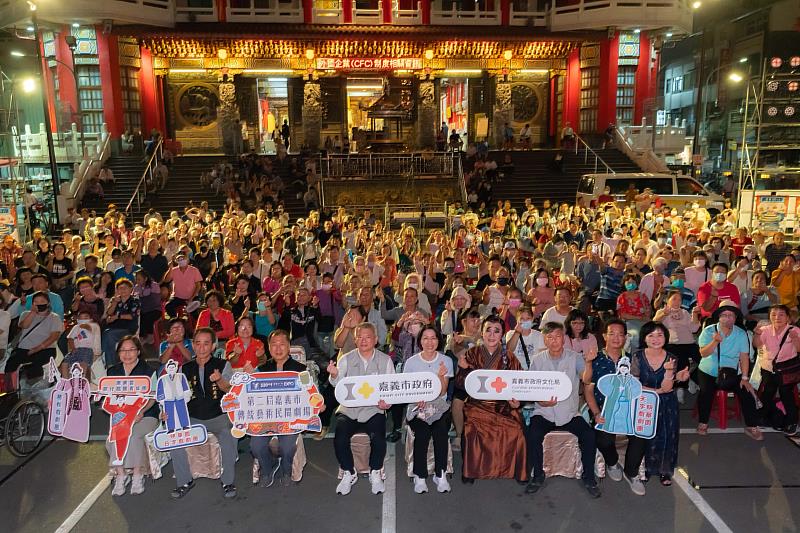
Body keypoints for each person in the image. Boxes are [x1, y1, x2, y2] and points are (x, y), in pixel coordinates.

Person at [524, 321, 600, 498]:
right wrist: (541, 402)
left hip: (569, 412)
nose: (554, 341)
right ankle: (538, 475)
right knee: (532, 433)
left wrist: (588, 362)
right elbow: (530, 386)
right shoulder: (538, 359)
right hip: (544, 411)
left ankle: (589, 477)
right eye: (549, 337)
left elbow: (586, 379)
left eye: (557, 336)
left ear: (563, 338)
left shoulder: (574, 357)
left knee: (589, 435)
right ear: (544, 339)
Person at [455, 314, 528, 484]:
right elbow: (460, 385)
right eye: (488, 330)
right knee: (472, 430)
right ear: (482, 333)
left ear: (502, 335)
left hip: (504, 407)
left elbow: (521, 383)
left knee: (517, 430)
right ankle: (470, 470)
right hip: (477, 406)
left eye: (497, 331)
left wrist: (518, 402)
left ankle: (517, 471)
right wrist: (463, 370)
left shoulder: (508, 356)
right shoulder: (472, 354)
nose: (492, 335)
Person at [170, 327, 238, 499]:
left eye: (206, 344)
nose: (202, 348)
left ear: (213, 346)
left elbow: (229, 389)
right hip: (192, 416)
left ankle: (228, 481)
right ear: (193, 345)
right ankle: (184, 481)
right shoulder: (184, 368)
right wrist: (169, 413)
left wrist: (220, 379)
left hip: (218, 415)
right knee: (175, 438)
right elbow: (176, 395)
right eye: (198, 343)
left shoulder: (223, 365)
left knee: (229, 436)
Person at [328, 322, 393, 496]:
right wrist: (334, 374)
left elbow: (391, 389)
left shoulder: (385, 360)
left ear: (376, 340)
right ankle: (349, 471)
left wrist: (386, 403)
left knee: (379, 437)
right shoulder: (346, 358)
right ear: (355, 340)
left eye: (368, 337)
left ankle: (375, 471)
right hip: (349, 409)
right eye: (360, 337)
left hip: (373, 409)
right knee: (339, 437)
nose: (363, 340)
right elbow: (337, 384)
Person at [583, 319, 647, 494]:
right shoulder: (595, 358)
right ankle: (612, 462)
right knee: (603, 439)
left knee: (641, 433)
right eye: (612, 333)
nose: (616, 338)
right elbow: (587, 386)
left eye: (620, 334)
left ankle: (632, 472)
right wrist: (596, 412)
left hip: (628, 407)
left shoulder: (633, 358)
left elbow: (640, 387)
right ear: (604, 336)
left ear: (626, 337)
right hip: (603, 407)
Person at [250, 330, 307, 487]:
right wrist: (246, 382)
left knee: (288, 446)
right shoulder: (260, 370)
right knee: (256, 445)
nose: (278, 348)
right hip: (265, 419)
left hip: (290, 419)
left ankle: (286, 470)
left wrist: (317, 404)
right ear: (269, 348)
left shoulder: (301, 370)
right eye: (274, 345)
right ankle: (268, 469)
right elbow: (249, 397)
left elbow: (311, 393)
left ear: (289, 347)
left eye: (282, 344)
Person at [696, 305, 762, 440]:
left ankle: (752, 426)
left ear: (735, 318)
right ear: (719, 318)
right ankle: (703, 422)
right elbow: (703, 353)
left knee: (746, 392)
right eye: (724, 315)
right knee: (705, 393)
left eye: (731, 315)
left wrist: (744, 377)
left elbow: (744, 356)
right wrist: (715, 341)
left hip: (731, 372)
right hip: (709, 370)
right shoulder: (709, 331)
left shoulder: (741, 333)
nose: (728, 318)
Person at [105, 336, 158, 496]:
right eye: (123, 350)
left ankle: (137, 474)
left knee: (134, 435)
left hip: (145, 414)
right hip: (121, 416)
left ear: (138, 351)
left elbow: (153, 397)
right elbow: (108, 396)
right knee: (114, 438)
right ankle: (121, 475)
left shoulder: (148, 371)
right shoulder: (112, 371)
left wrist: (140, 411)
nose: (127, 354)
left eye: (131, 350)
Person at [404, 325, 453, 494]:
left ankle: (440, 474)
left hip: (438, 405)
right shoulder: (411, 362)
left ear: (439, 341)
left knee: (440, 431)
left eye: (433, 338)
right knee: (423, 432)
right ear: (420, 341)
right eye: (425, 338)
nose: (429, 342)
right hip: (417, 406)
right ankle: (420, 475)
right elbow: (407, 390)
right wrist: (416, 400)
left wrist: (441, 375)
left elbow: (442, 392)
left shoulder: (445, 361)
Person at [754, 305, 800, 435]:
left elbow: (798, 349)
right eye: (773, 314)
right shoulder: (765, 329)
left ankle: (792, 422)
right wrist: (757, 335)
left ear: (788, 318)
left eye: (781, 315)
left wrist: (795, 338)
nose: (777, 317)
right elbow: (757, 345)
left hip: (787, 369)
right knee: (768, 392)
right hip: (769, 368)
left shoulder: (794, 329)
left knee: (786, 394)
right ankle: (763, 417)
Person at [3, 291, 63, 389]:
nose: (39, 303)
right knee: (11, 364)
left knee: (36, 365)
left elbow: (54, 336)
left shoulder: (54, 317)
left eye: (42, 301)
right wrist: (33, 312)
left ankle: (34, 390)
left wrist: (37, 348)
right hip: (24, 348)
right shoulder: (25, 314)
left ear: (48, 303)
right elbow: (23, 325)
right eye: (36, 302)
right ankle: (9, 389)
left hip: (45, 349)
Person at [653, 290, 702, 403]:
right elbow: (655, 323)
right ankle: (681, 388)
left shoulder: (685, 312)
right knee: (681, 359)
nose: (677, 302)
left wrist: (694, 315)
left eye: (680, 299)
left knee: (703, 359)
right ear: (667, 300)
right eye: (674, 299)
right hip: (673, 344)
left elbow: (694, 329)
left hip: (689, 342)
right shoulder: (662, 312)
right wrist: (664, 314)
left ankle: (693, 378)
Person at [101, 279, 141, 366]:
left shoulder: (134, 301)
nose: (122, 290)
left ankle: (109, 362)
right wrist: (115, 302)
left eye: (125, 288)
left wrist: (117, 317)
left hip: (127, 329)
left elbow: (132, 316)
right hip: (113, 328)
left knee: (109, 334)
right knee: (106, 334)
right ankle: (108, 360)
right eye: (120, 288)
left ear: (131, 289)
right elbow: (109, 313)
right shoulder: (114, 300)